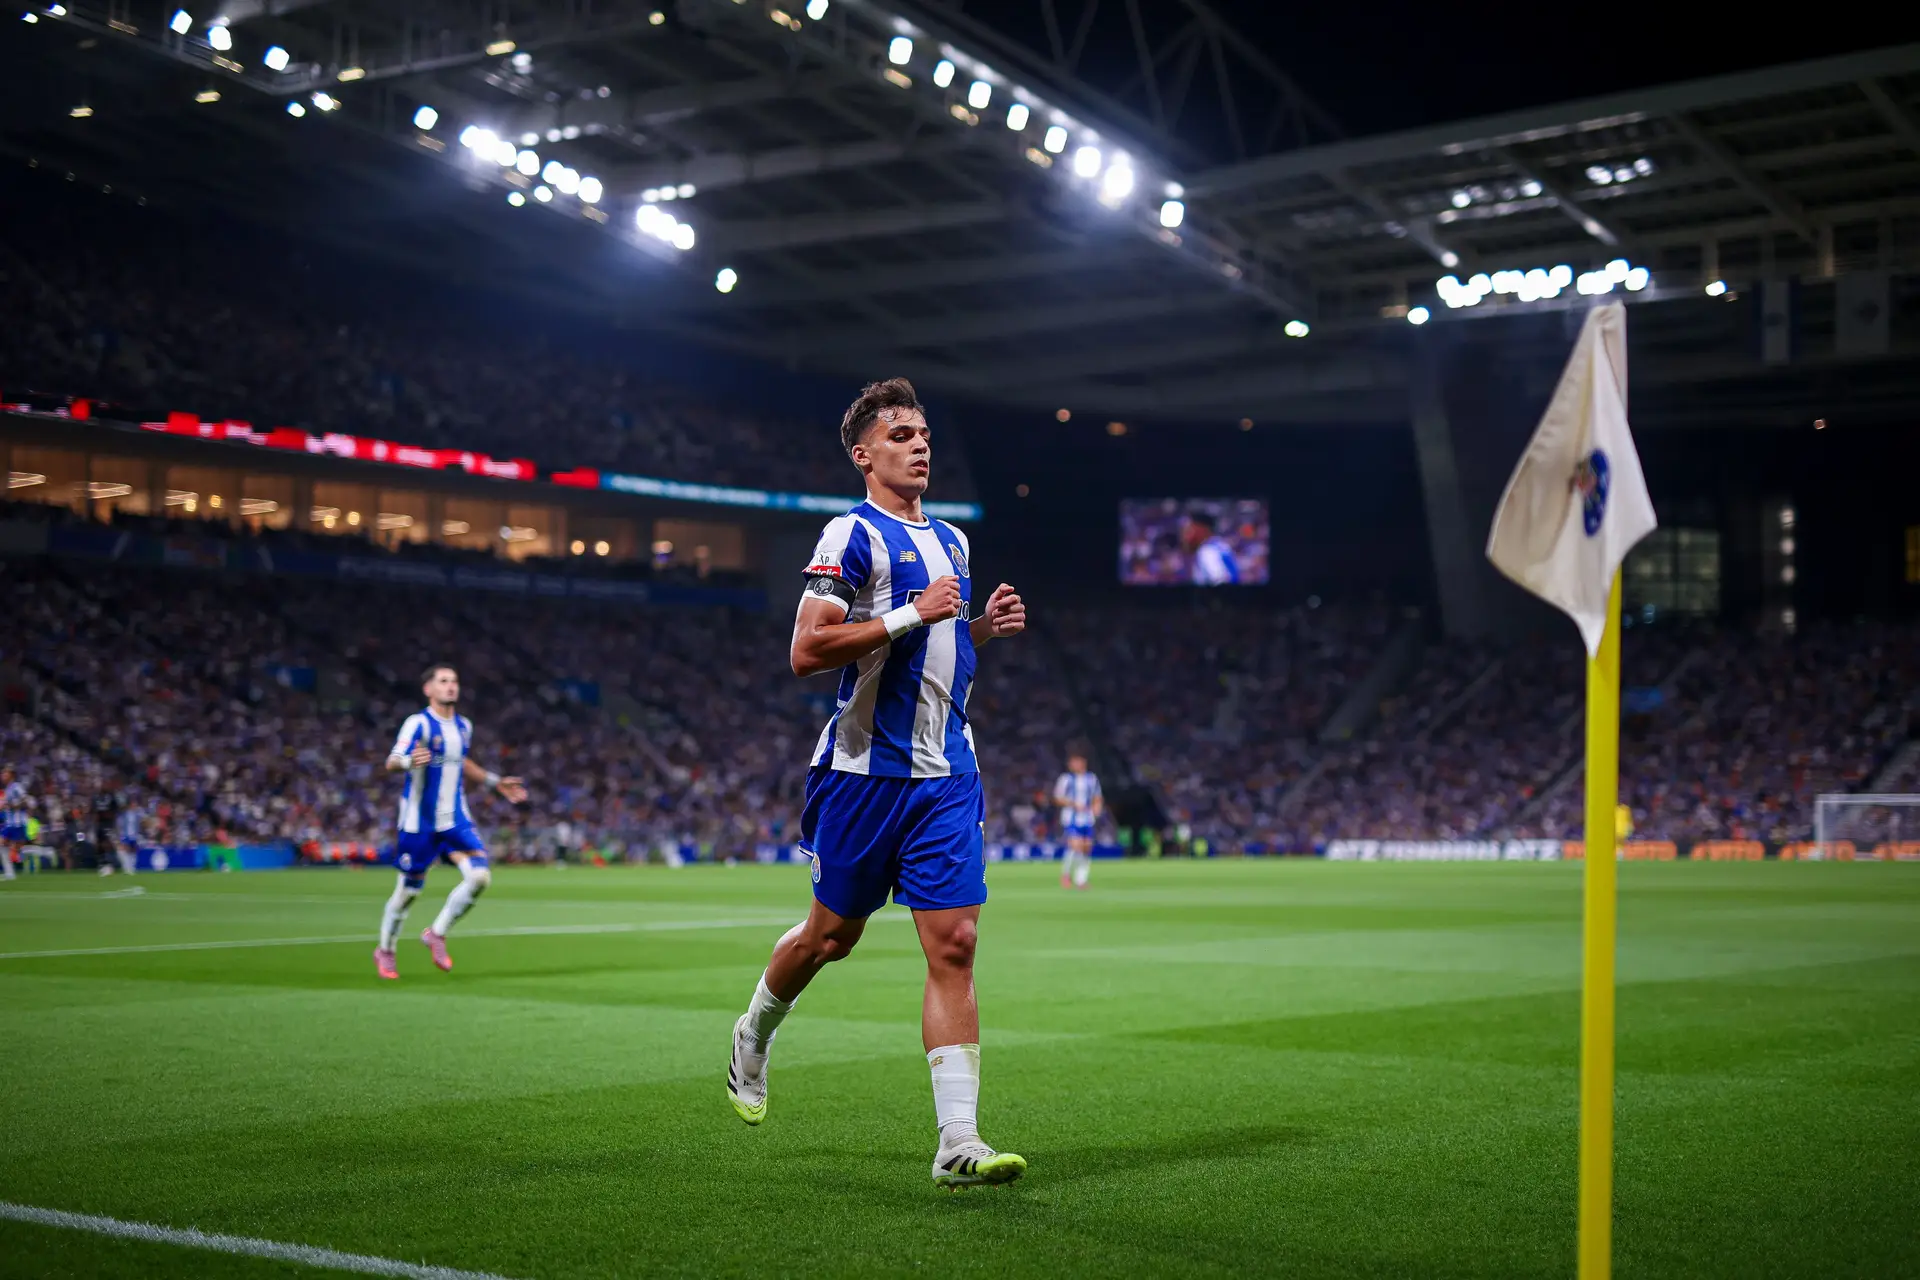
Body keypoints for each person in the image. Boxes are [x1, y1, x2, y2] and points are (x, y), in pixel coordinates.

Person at [724, 377, 1030, 1189]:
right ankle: (754, 1031)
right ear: (864, 456)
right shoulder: (849, 534)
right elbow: (806, 650)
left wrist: (979, 630)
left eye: (924, 433)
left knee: (955, 945)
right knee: (830, 938)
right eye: (900, 435)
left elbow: (933, 652)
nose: (919, 444)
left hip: (946, 773)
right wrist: (913, 614)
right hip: (863, 773)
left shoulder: (954, 542)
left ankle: (957, 1142)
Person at [373, 664, 527, 980]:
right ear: (428, 689)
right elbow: (392, 761)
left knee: (480, 877)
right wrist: (407, 761)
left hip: (454, 819)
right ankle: (386, 949)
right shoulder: (418, 723)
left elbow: (460, 760)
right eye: (443, 681)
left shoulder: (464, 726)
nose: (451, 686)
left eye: (454, 681)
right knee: (408, 893)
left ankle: (437, 933)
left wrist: (494, 782)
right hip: (419, 822)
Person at [1052, 750, 1103, 891]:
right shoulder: (1065, 779)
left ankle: (1081, 880)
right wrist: (1073, 804)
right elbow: (1057, 798)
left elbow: (1097, 796)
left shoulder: (1092, 779)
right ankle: (1066, 874)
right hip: (1070, 817)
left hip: (1087, 817)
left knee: (1086, 848)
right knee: (1076, 845)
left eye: (1078, 761)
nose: (1076, 764)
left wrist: (1097, 808)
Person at [1182, 511, 1241, 585]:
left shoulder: (1207, 551)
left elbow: (1221, 583)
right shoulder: (1220, 544)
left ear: (1201, 530)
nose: (1186, 537)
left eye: (1189, 531)